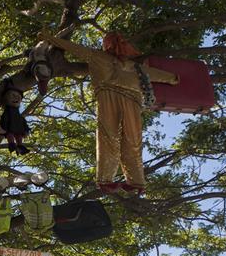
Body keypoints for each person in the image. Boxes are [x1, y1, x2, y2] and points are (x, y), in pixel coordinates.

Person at [38, 30, 179, 196]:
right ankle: (125, 181)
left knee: (115, 137)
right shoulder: (113, 61)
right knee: (123, 139)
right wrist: (173, 78)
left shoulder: (132, 65)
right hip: (119, 98)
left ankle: (126, 181)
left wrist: (49, 38)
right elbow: (74, 48)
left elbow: (73, 47)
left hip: (122, 98)